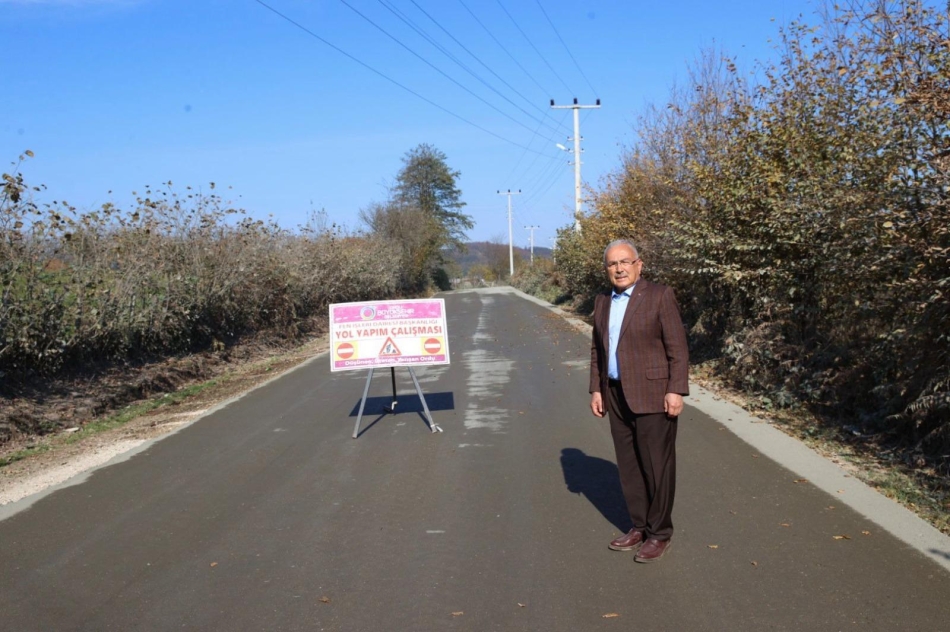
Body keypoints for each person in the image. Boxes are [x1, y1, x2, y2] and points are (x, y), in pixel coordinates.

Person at [589, 239, 689, 563]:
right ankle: (639, 526)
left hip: (653, 393)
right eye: (612, 264)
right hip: (615, 392)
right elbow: (597, 349)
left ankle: (659, 533)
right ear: (606, 269)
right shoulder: (603, 301)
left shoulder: (659, 295)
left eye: (624, 262)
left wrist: (676, 389)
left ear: (638, 265)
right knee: (629, 464)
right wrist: (597, 389)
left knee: (657, 465)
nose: (619, 269)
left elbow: (677, 347)